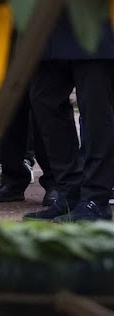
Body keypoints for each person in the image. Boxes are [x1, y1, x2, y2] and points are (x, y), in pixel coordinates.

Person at [25, 13, 114, 221]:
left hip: (95, 15)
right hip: (52, 19)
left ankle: (95, 199)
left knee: (95, 110)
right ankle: (69, 192)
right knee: (43, 97)